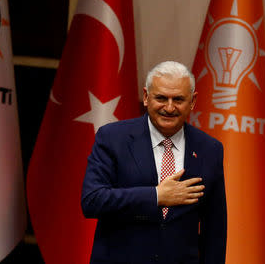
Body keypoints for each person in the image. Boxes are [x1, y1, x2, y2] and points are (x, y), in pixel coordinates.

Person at [81, 61, 227, 264]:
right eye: (161, 98)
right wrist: (156, 196)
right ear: (146, 97)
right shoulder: (113, 138)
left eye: (178, 99)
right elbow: (92, 201)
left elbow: (215, 229)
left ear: (192, 101)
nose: (169, 107)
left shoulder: (209, 149)